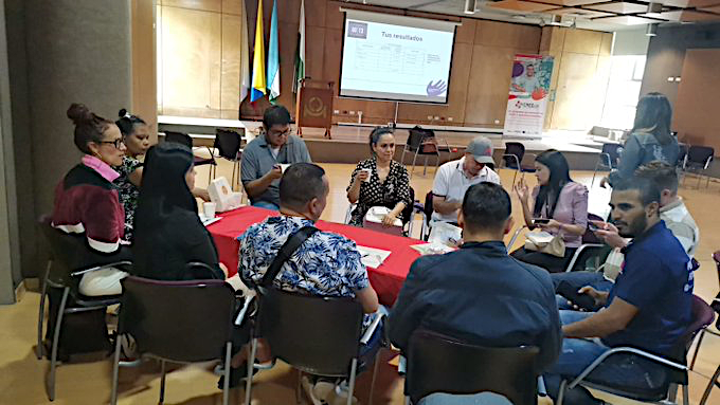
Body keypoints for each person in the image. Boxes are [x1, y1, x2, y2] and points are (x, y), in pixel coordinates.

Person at [239, 163, 382, 404]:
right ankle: (332, 379)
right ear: (314, 205)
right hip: (328, 342)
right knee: (383, 314)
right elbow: (371, 306)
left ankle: (318, 378)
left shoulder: (252, 235)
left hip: (279, 334)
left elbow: (247, 278)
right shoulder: (338, 247)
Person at [390, 183, 562, 382]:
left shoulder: (426, 270)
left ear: (460, 218)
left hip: (432, 384)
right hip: (506, 388)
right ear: (509, 225)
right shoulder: (539, 282)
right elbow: (549, 355)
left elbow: (397, 334)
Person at [542, 176, 692, 405]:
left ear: (652, 208)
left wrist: (560, 334)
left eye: (626, 207)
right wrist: (603, 297)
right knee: (544, 321)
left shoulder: (653, 255)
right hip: (627, 340)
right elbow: (643, 300)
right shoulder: (652, 242)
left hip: (636, 361)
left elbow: (613, 321)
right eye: (613, 207)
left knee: (533, 352)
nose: (616, 215)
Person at [552, 161, 700, 309]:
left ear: (665, 194)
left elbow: (654, 270)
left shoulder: (680, 226)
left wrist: (621, 244)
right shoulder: (649, 214)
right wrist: (618, 233)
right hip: (608, 278)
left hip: (625, 290)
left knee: (550, 308)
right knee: (545, 284)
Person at [51, 103, 131, 296]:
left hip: (75, 264)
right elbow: (106, 249)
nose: (123, 148)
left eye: (122, 141)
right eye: (116, 143)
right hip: (92, 271)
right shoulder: (99, 191)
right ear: (94, 147)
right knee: (162, 272)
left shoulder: (73, 176)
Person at [132, 142, 227, 281]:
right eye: (191, 170)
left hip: (146, 290)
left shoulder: (142, 211)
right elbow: (213, 272)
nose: (195, 173)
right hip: (185, 290)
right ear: (176, 177)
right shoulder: (185, 221)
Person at [512, 150, 589, 273]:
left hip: (565, 248)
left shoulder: (576, 191)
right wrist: (524, 202)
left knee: (524, 264)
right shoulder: (540, 190)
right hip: (544, 243)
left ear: (553, 169)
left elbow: (581, 229)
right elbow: (532, 224)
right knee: (512, 259)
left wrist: (557, 225)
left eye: (539, 170)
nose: (536, 174)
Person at [241, 105, 312, 210]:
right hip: (267, 201)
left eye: (286, 131)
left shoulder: (297, 144)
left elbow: (311, 175)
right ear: (265, 128)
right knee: (269, 212)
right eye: (277, 133)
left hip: (295, 201)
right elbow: (250, 191)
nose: (282, 137)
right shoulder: (251, 150)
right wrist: (269, 177)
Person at [604, 92, 679, 187]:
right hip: (660, 192)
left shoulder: (637, 140)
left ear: (642, 114)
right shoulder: (673, 143)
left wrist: (611, 177)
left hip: (636, 192)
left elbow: (624, 175)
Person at [346, 127, 412, 227]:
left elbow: (403, 199)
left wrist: (392, 214)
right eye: (384, 146)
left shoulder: (400, 170)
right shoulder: (364, 167)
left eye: (392, 145)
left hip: (390, 218)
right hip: (363, 217)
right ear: (374, 147)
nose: (389, 150)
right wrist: (357, 180)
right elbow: (352, 199)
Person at [431, 136, 500, 224]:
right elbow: (437, 206)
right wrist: (459, 204)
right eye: (476, 161)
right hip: (445, 222)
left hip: (476, 226)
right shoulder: (446, 170)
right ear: (466, 154)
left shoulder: (493, 178)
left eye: (483, 163)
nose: (479, 166)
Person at [114, 109, 150, 242]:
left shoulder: (121, 161)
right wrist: (197, 191)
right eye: (140, 138)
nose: (146, 142)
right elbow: (159, 186)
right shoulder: (127, 164)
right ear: (123, 138)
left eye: (147, 138)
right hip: (129, 229)